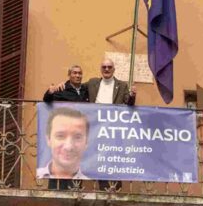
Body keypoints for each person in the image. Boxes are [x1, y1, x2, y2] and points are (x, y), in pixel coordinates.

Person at [48, 59, 137, 191]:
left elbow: (128, 104)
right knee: (83, 156)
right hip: (93, 129)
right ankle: (72, 187)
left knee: (110, 158)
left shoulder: (122, 85)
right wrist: (58, 87)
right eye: (104, 67)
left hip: (111, 130)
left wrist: (132, 95)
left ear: (113, 69)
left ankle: (111, 189)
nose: (106, 69)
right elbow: (75, 87)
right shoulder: (92, 83)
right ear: (101, 69)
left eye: (109, 67)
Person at [37, 107, 91, 180]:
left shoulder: (90, 182)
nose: (68, 147)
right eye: (60, 136)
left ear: (86, 142)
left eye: (77, 137)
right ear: (48, 139)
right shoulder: (35, 176)